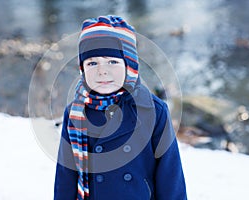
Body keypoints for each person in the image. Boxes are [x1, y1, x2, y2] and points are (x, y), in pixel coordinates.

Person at [54, 15, 187, 200]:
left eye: (112, 61)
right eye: (92, 63)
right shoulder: (76, 112)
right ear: (82, 70)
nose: (102, 71)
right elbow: (65, 175)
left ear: (130, 65)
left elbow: (171, 177)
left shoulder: (154, 111)